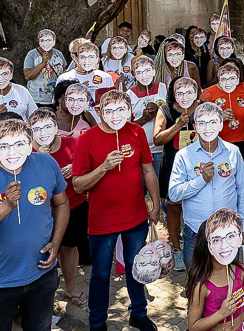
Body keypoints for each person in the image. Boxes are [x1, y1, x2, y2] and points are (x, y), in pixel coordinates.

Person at [72, 90, 160, 331]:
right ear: (99, 111)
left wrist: (156, 203)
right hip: (102, 221)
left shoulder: (137, 131)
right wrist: (104, 167)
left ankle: (138, 313)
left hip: (136, 217)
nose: (115, 116)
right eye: (108, 111)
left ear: (129, 110)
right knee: (100, 274)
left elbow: (148, 170)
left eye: (121, 109)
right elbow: (78, 184)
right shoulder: (86, 139)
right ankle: (97, 322)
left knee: (136, 268)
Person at [0, 119, 69, 331]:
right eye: (4, 145)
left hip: (41, 275)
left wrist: (56, 243)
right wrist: (6, 206)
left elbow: (62, 203)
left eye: (20, 144)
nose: (12, 151)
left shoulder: (47, 164)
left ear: (30, 142)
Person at [168, 102, 244, 267]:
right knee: (196, 278)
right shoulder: (184, 155)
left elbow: (243, 191)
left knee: (227, 276)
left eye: (213, 122)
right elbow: (174, 193)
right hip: (195, 230)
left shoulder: (233, 152)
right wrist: (201, 180)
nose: (208, 127)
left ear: (221, 124)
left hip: (228, 229)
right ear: (195, 127)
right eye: (202, 123)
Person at [29, 109, 87, 307]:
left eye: (47, 127)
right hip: (40, 212)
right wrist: (36, 158)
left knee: (69, 248)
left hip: (74, 204)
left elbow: (87, 169)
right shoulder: (25, 152)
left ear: (56, 127)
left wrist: (75, 167)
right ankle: (45, 298)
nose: (43, 132)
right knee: (42, 254)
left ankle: (70, 288)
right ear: (30, 132)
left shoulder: (72, 143)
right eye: (37, 129)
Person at [153, 76, 200, 271]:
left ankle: (198, 249)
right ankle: (177, 249)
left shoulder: (202, 107)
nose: (185, 96)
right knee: (174, 209)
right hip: (173, 167)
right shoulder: (165, 109)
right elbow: (157, 139)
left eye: (189, 92)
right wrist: (178, 125)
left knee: (198, 207)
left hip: (199, 168)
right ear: (173, 92)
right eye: (180, 92)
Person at [185, 210, 244, 331]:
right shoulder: (201, 284)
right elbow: (193, 326)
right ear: (207, 246)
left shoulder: (241, 271)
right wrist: (221, 314)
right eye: (217, 240)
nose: (224, 246)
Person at [200, 60, 244, 167]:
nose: (228, 81)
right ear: (219, 77)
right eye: (224, 78)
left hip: (242, 142)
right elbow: (198, 118)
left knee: (239, 175)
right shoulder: (209, 93)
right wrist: (218, 117)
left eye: (232, 78)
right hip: (217, 142)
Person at [0, 57, 38, 160]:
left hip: (20, 149)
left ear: (11, 74)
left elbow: (34, 118)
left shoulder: (22, 91)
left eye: (5, 74)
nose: (0, 79)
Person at [128, 55, 166, 177]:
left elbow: (172, 115)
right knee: (142, 186)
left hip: (162, 148)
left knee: (161, 185)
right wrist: (144, 118)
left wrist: (160, 110)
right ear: (134, 74)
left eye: (148, 70)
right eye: (139, 72)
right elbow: (126, 127)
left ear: (154, 70)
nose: (144, 76)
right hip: (141, 150)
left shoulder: (163, 88)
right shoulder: (129, 95)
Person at [57, 42, 114, 107]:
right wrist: (77, 92)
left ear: (97, 59)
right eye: (83, 57)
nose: (87, 61)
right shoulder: (65, 78)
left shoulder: (105, 77)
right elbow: (59, 105)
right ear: (77, 58)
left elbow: (111, 103)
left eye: (91, 57)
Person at [23, 29, 67, 107]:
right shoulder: (32, 55)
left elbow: (64, 74)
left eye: (49, 40)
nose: (46, 43)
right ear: (39, 42)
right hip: (37, 100)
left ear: (54, 41)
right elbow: (27, 76)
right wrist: (43, 63)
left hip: (56, 99)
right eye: (42, 40)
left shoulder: (59, 54)